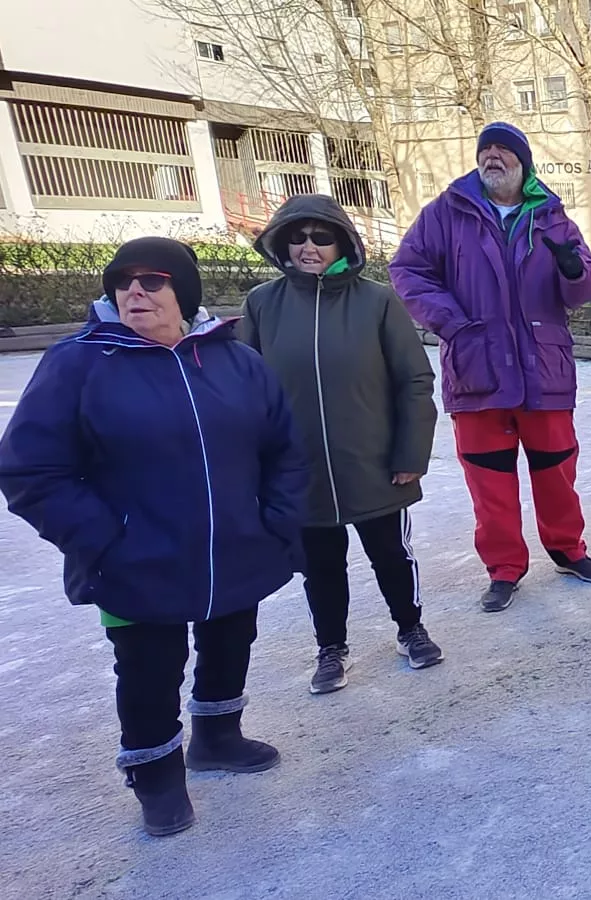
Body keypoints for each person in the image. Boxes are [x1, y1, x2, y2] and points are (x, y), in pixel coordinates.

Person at [0, 238, 309, 836]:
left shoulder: (235, 361)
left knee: (231, 641)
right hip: (132, 559)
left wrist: (272, 521)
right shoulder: (78, 364)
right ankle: (157, 778)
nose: (134, 291)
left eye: (152, 280)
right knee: (148, 669)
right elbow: (30, 469)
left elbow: (284, 451)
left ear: (184, 292)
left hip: (234, 545)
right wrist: (105, 538)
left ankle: (217, 737)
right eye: (123, 281)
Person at [389, 122, 591, 612]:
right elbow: (406, 270)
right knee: (488, 479)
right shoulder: (445, 213)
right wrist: (452, 322)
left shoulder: (550, 214)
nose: (493, 156)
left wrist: (574, 270)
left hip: (543, 371)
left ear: (522, 162)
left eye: (503, 150)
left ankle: (568, 550)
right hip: (477, 369)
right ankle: (504, 568)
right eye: (485, 149)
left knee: (556, 472)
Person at [243, 195, 443, 694]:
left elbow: (414, 380)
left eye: (321, 237)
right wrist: (255, 465)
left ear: (343, 243)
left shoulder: (377, 301)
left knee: (391, 554)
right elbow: (241, 390)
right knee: (320, 567)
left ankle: (411, 629)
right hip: (299, 471)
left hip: (374, 463)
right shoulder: (262, 304)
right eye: (297, 237)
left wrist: (410, 453)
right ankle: (331, 647)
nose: (308, 247)